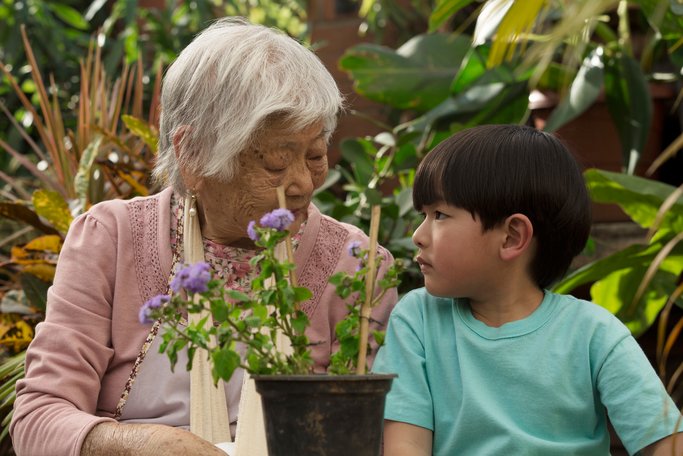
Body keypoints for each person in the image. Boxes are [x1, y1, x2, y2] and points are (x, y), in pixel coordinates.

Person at [10, 17, 398, 456]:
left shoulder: (357, 266)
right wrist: (143, 446)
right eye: (275, 162)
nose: (304, 184)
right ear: (192, 154)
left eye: (315, 155)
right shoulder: (110, 239)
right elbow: (39, 417)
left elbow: (375, 437)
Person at [372, 124, 682, 455]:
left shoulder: (593, 333)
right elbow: (405, 447)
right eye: (423, 215)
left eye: (440, 215)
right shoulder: (417, 320)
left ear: (512, 237)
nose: (418, 235)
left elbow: (665, 443)